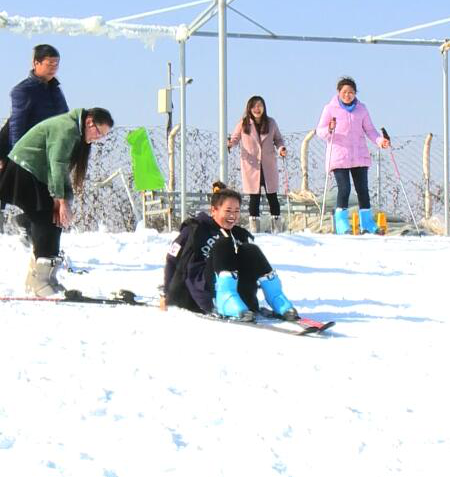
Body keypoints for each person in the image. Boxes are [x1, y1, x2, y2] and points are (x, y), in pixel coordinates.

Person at [0, 107, 113, 296]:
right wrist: (60, 200)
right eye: (99, 132)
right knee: (48, 219)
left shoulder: (76, 132)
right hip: (24, 169)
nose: (99, 138)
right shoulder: (67, 129)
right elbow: (57, 165)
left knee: (53, 221)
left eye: (103, 136)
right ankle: (39, 281)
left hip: (36, 173)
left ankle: (44, 276)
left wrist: (65, 200)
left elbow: (62, 172)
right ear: (89, 122)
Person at [164, 182, 297, 321]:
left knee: (250, 249)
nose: (233, 215)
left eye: (236, 211)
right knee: (223, 244)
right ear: (214, 210)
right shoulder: (196, 229)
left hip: (238, 295)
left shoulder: (238, 234)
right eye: (228, 211)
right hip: (206, 293)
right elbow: (172, 259)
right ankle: (225, 300)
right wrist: (167, 294)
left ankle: (276, 298)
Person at [7, 44, 70, 239]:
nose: (54, 68)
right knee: (42, 198)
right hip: (34, 152)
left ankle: (29, 226)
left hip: (55, 151)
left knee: (54, 197)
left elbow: (65, 118)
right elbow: (16, 124)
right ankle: (32, 230)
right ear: (36, 63)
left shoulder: (56, 90)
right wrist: (19, 155)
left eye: (56, 64)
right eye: (49, 63)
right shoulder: (23, 90)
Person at [315, 77, 390, 234]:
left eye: (351, 92)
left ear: (355, 93)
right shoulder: (330, 109)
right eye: (344, 92)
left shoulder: (361, 109)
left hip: (359, 155)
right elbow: (320, 131)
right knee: (345, 189)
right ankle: (342, 223)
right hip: (339, 156)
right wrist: (329, 129)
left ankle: (367, 224)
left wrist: (380, 141)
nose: (347, 95)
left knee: (363, 190)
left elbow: (370, 130)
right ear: (338, 92)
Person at [228, 96, 287, 233]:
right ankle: (254, 228)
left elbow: (278, 139)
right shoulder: (243, 124)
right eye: (254, 106)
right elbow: (235, 138)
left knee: (272, 196)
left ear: (264, 107)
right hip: (251, 165)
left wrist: (281, 149)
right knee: (254, 197)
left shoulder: (271, 123)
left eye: (260, 105)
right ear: (249, 109)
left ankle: (276, 228)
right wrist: (230, 143)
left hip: (268, 165)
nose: (257, 109)